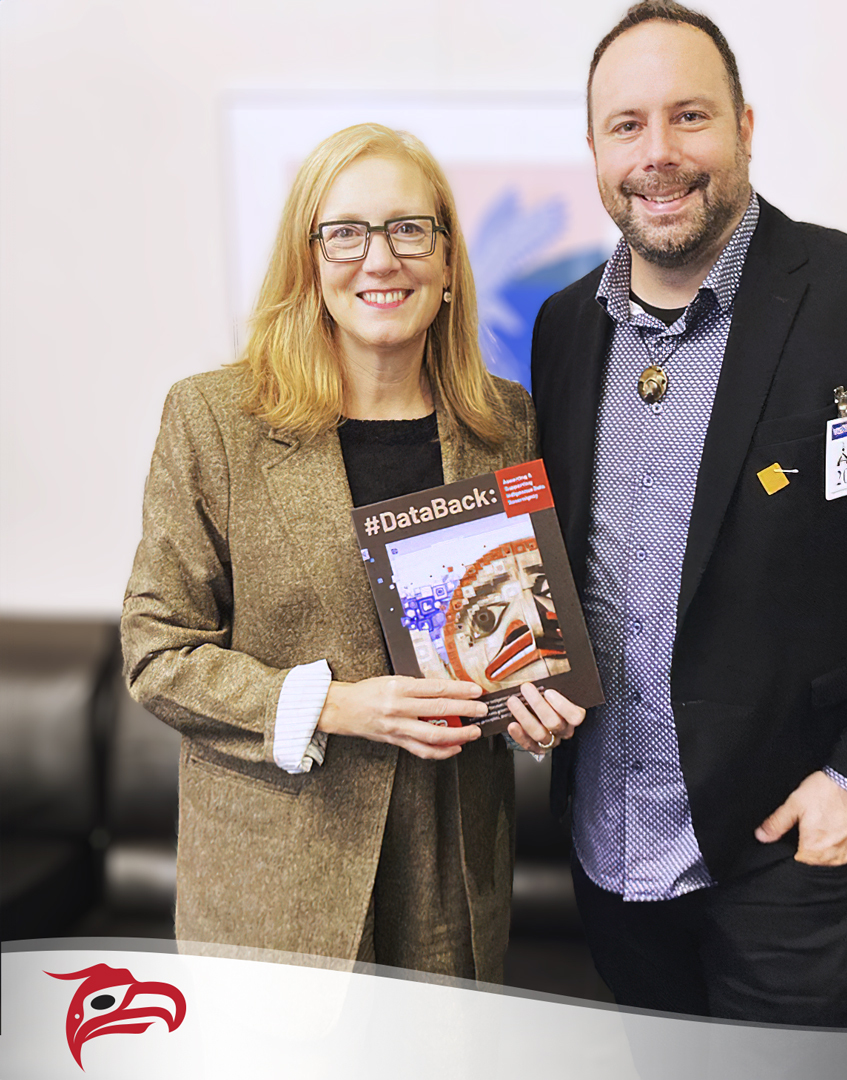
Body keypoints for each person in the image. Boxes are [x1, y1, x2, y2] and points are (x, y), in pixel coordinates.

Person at [531, 2, 847, 1027]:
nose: (658, 154)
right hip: (606, 849)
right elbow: (559, 558)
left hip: (780, 848)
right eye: (627, 125)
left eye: (689, 117)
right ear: (595, 150)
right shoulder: (565, 328)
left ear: (744, 126)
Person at [122, 123, 583, 979]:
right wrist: (333, 706)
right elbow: (157, 653)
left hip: (451, 870)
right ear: (311, 261)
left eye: (410, 229)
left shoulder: (506, 422)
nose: (381, 259)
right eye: (347, 232)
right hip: (276, 883)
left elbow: (520, 630)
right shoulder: (216, 419)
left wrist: (538, 711)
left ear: (447, 265)